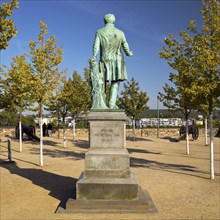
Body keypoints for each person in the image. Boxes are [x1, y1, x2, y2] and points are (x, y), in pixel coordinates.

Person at [92, 14, 133, 109]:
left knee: (102, 81)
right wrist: (128, 53)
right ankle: (111, 103)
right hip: (117, 59)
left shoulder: (99, 32)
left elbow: (96, 46)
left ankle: (102, 103)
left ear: (105, 21)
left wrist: (94, 57)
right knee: (115, 81)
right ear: (113, 21)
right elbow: (125, 45)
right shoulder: (120, 32)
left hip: (105, 59)